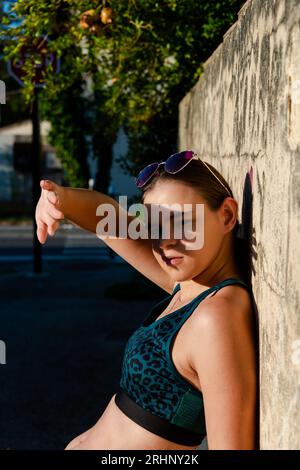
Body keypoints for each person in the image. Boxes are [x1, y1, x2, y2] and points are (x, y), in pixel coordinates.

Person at [35, 150, 258, 450]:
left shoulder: (216, 316)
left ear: (228, 215)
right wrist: (59, 199)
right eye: (155, 225)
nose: (165, 240)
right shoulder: (188, 282)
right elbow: (109, 220)